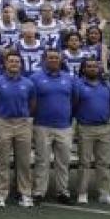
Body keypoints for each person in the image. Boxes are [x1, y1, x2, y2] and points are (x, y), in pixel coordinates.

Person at [0, 52, 37, 208]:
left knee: (24, 161)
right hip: (3, 122)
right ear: (5, 64)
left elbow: (32, 102)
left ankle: (25, 194)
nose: (14, 63)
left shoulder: (28, 83)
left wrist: (26, 116)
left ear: (21, 64)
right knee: (2, 161)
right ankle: (1, 194)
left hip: (23, 123)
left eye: (17, 61)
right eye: (11, 61)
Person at [30, 49, 78, 205]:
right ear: (44, 59)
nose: (53, 60)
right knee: (42, 160)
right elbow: (31, 101)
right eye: (50, 58)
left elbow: (74, 100)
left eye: (56, 58)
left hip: (64, 126)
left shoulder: (69, 78)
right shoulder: (35, 78)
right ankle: (39, 192)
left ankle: (62, 191)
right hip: (42, 125)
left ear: (61, 60)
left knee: (63, 161)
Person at [74, 59, 110, 205]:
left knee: (103, 162)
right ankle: (82, 192)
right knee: (84, 162)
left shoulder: (107, 86)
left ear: (99, 69)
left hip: (104, 128)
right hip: (85, 128)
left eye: (95, 66)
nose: (92, 69)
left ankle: (104, 193)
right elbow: (74, 104)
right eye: (89, 66)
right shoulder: (78, 85)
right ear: (84, 69)